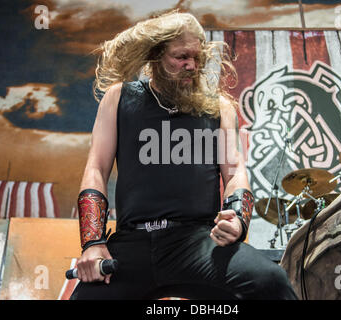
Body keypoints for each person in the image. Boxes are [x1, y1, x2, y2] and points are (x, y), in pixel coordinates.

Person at [70, 11, 297, 300]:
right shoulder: (119, 98)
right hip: (132, 243)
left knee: (270, 281)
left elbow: (235, 170)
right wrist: (92, 243)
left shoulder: (219, 107)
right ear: (156, 56)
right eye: (181, 57)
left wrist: (238, 220)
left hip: (197, 240)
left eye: (197, 58)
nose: (191, 65)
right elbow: (96, 170)